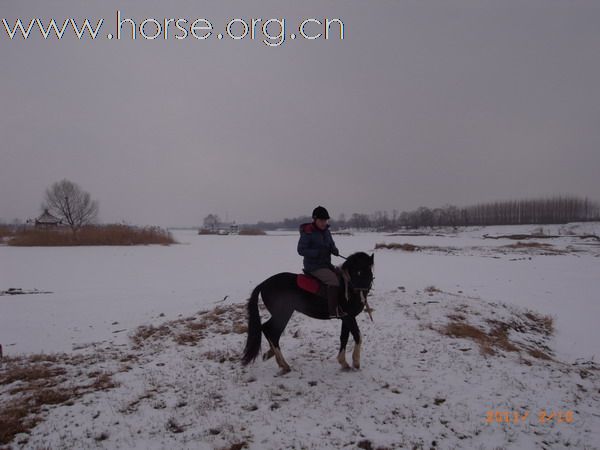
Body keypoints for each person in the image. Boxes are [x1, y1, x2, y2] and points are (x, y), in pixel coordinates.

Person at [297, 206, 347, 319]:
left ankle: (341, 303)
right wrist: (317, 253)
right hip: (313, 266)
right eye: (321, 220)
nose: (324, 223)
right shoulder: (308, 232)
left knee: (341, 276)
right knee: (333, 280)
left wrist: (334, 250)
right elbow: (301, 250)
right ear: (314, 220)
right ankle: (333, 311)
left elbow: (331, 244)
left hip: (326, 264)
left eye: (325, 220)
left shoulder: (326, 232)